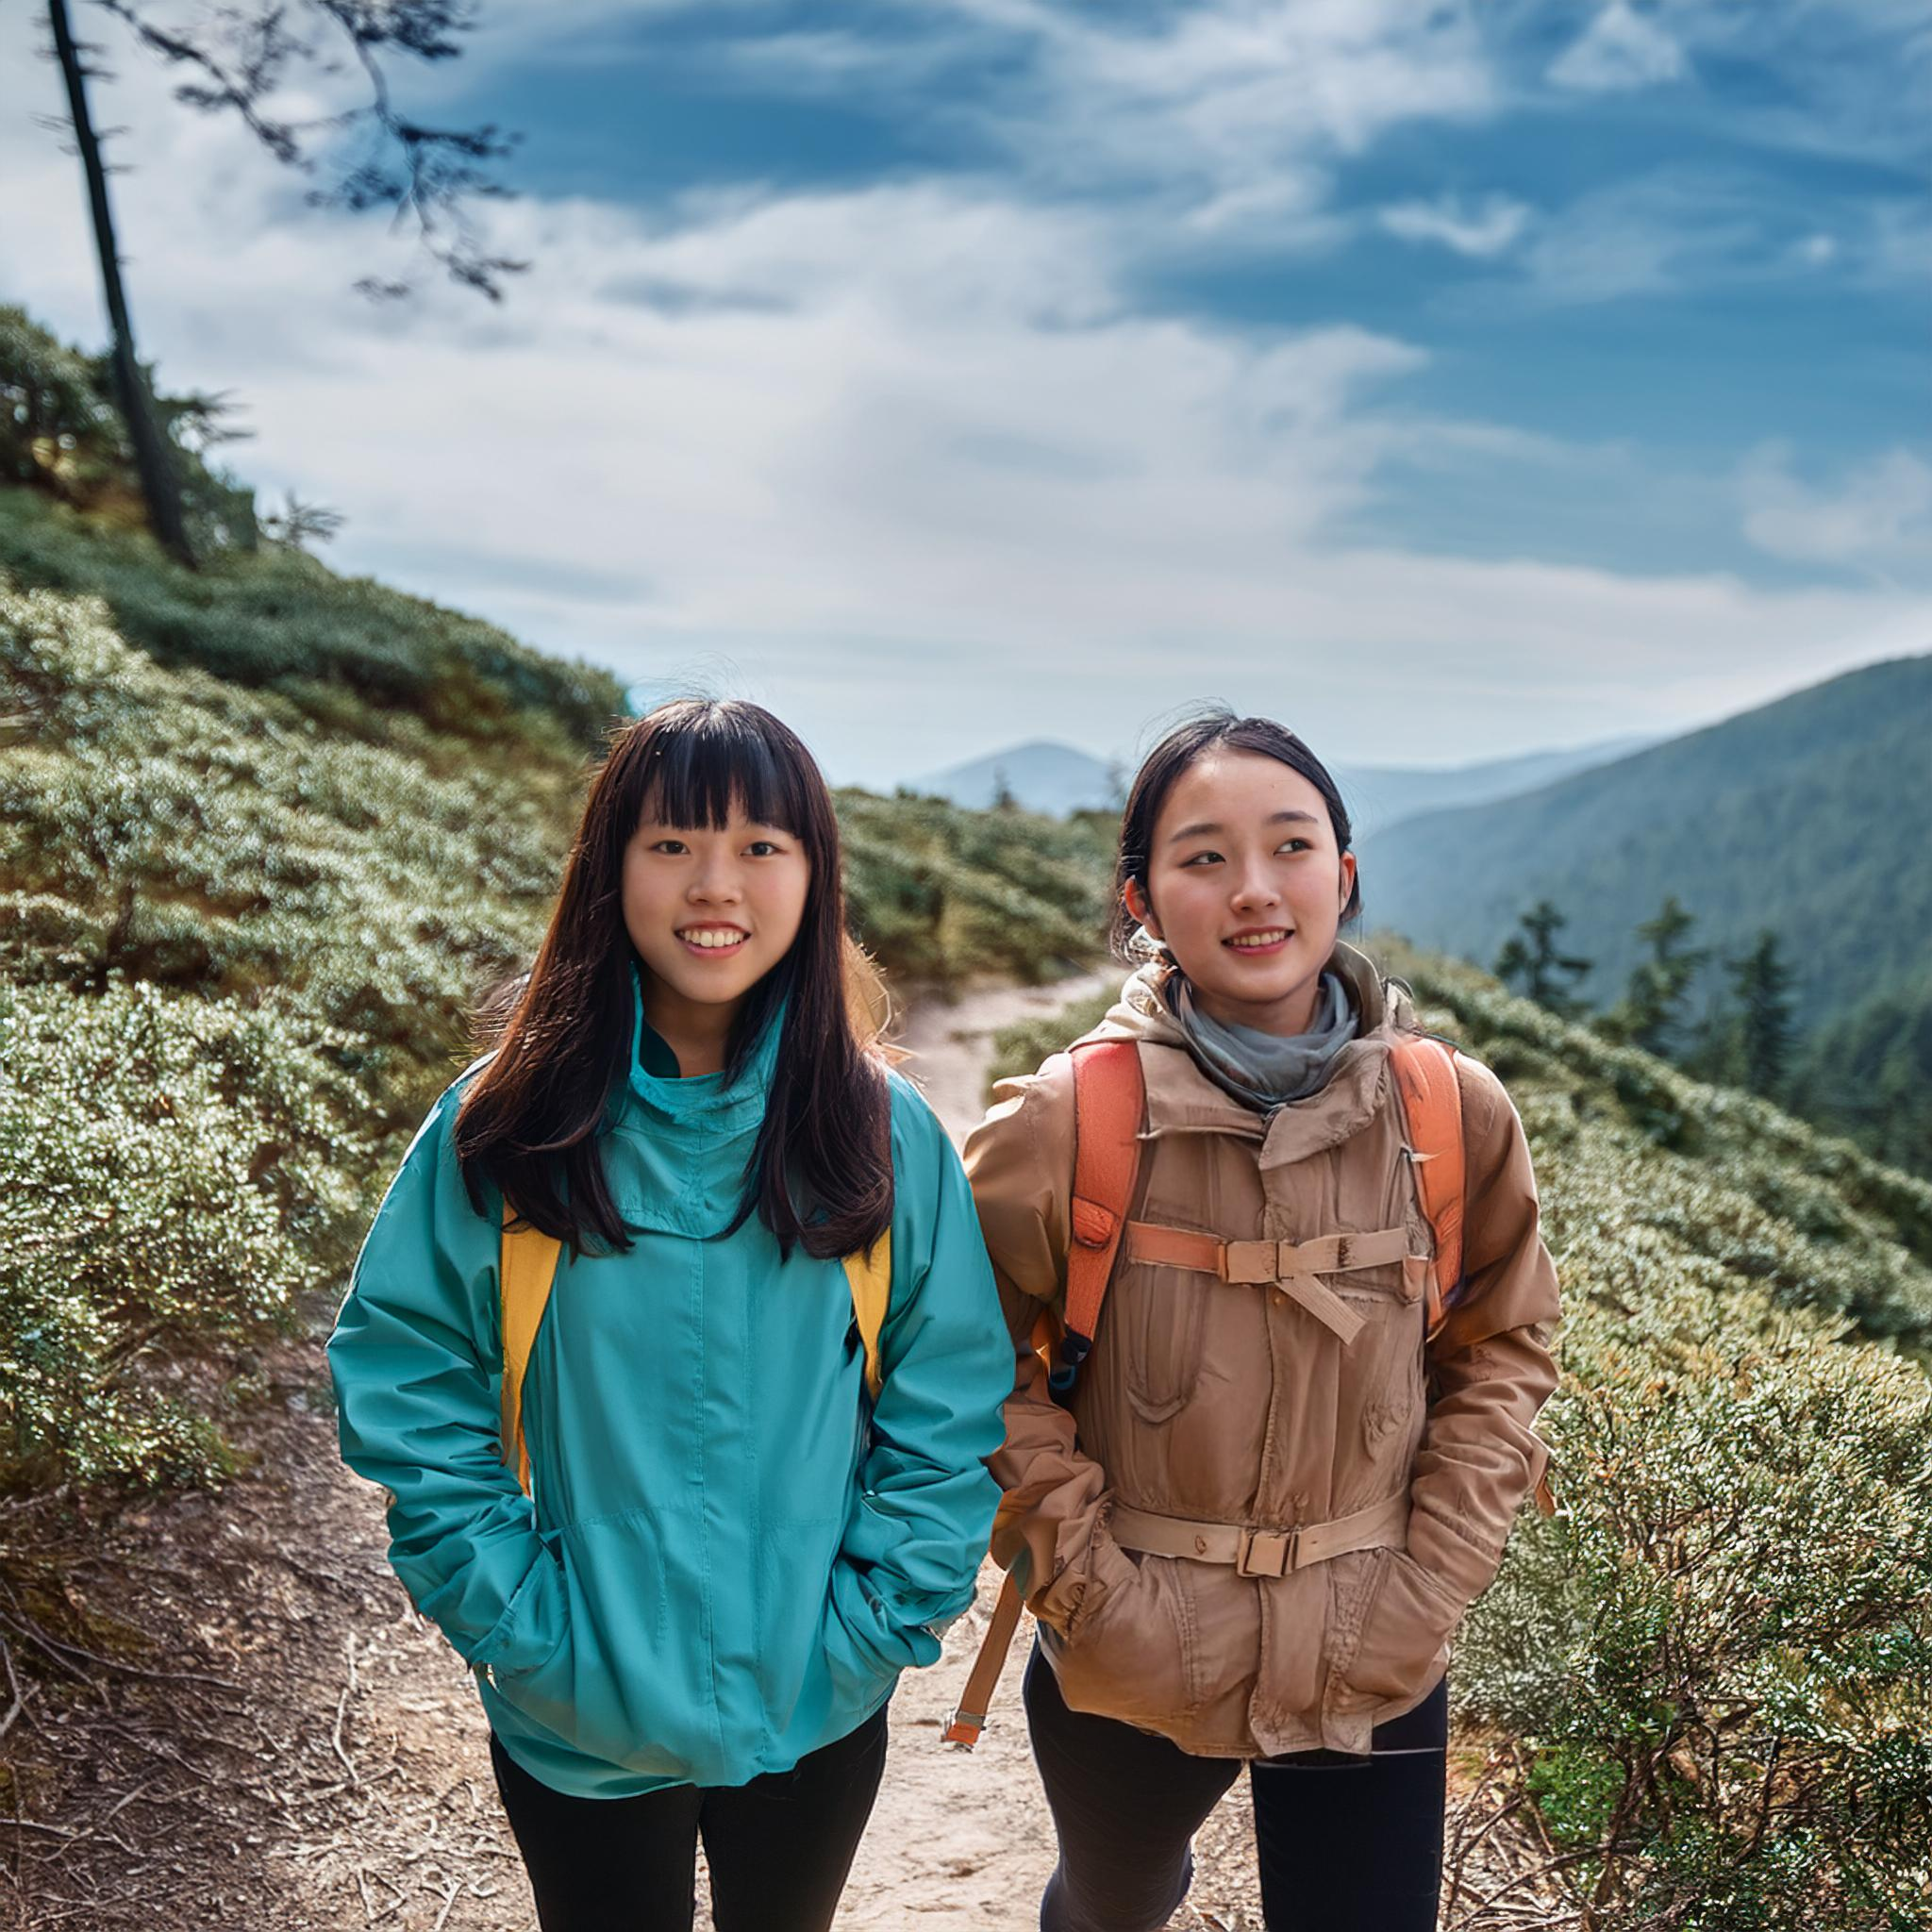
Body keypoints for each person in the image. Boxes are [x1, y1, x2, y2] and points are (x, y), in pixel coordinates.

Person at [327, 697, 1012, 1932]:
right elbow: (407, 1379)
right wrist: (522, 1627)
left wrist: (870, 1625)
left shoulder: (880, 1129)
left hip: (815, 1701)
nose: (717, 885)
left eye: (762, 847)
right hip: (571, 1714)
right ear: (610, 867)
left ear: (815, 876)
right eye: (672, 844)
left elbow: (947, 1395)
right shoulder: (506, 1123)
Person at [961, 710, 1561, 1932]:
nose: (1254, 890)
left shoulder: (1450, 1112)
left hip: (1374, 1636)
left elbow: (1501, 1345)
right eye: (1202, 857)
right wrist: (1089, 1586)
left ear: (1342, 874)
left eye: (1291, 847)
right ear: (1142, 894)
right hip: (1129, 1635)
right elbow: (960, 1361)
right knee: (1112, 1906)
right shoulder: (1069, 1120)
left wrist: (1432, 1579)